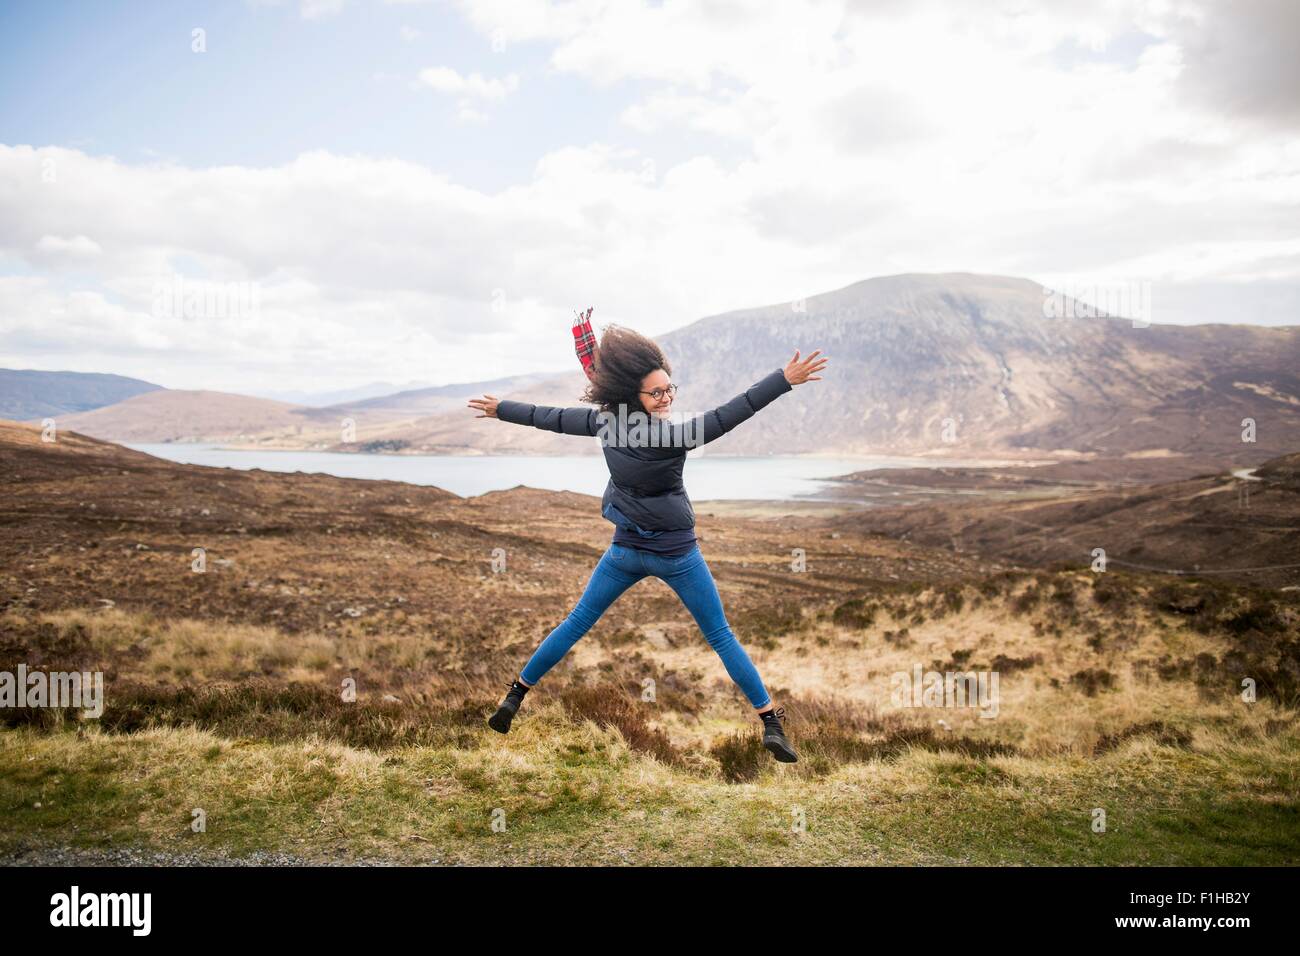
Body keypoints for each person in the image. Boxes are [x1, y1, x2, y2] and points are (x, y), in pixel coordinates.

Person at [466, 324, 828, 762]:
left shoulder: (603, 422)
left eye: (668, 388)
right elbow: (728, 415)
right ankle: (771, 722)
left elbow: (551, 418)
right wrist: (782, 381)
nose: (666, 397)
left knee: (577, 622)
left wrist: (500, 408)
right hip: (677, 555)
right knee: (720, 635)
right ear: (632, 395)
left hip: (624, 552)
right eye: (656, 393)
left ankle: (515, 698)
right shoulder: (671, 437)